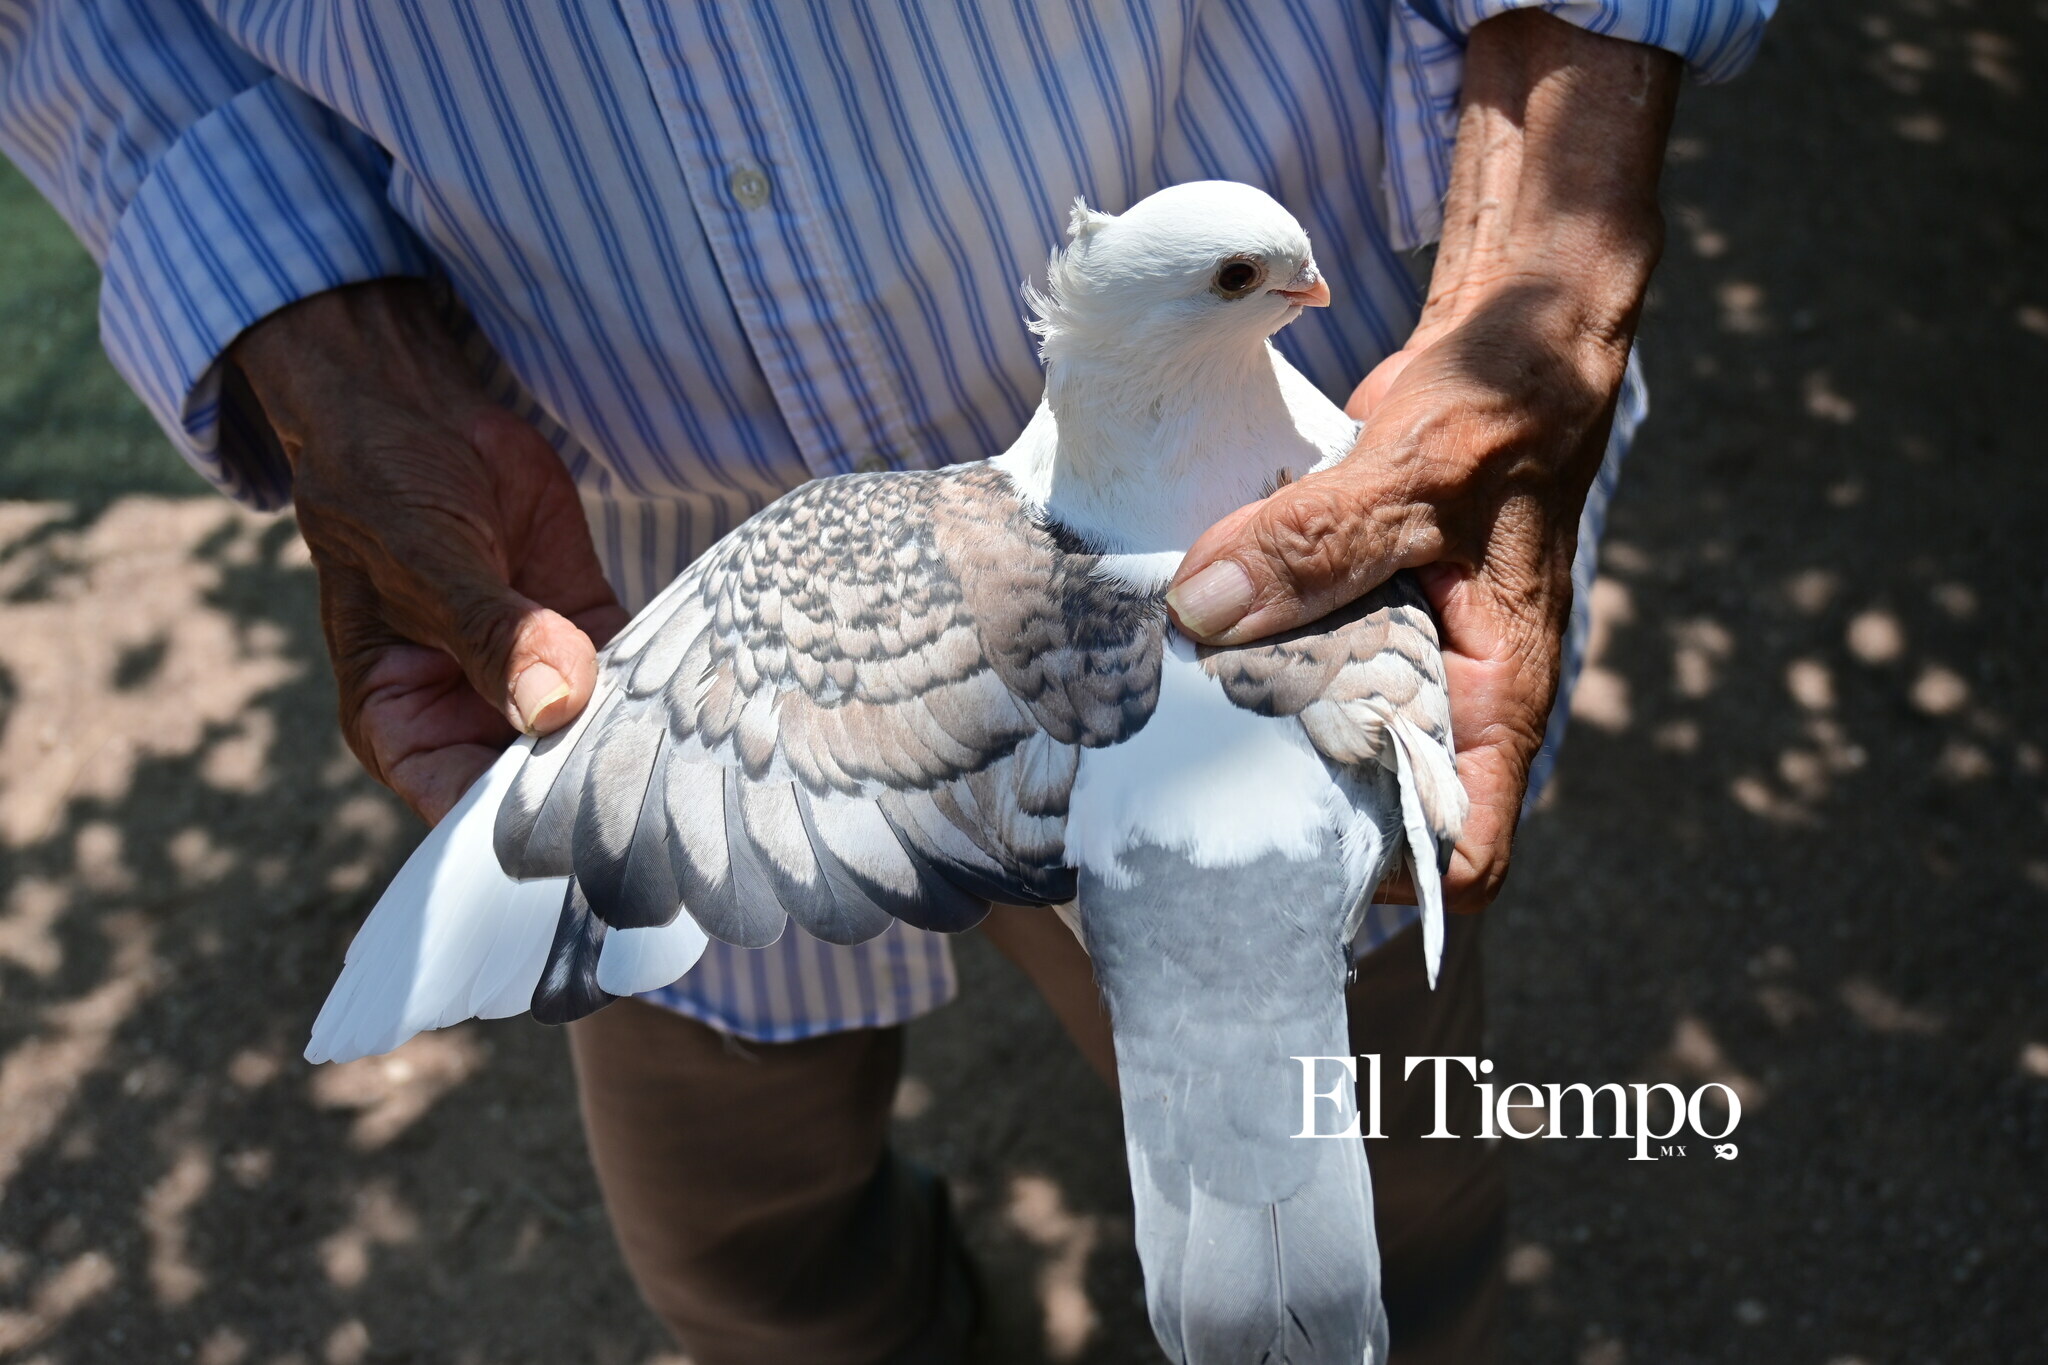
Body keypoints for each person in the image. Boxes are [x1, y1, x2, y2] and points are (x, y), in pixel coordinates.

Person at [0, 3, 1772, 1361]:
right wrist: (303, 305)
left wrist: (1547, 220)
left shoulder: (1288, 365)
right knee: (736, 1243)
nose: (1280, 292)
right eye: (1252, 283)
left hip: (1259, 600)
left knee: (1363, 1198)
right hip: (650, 573)